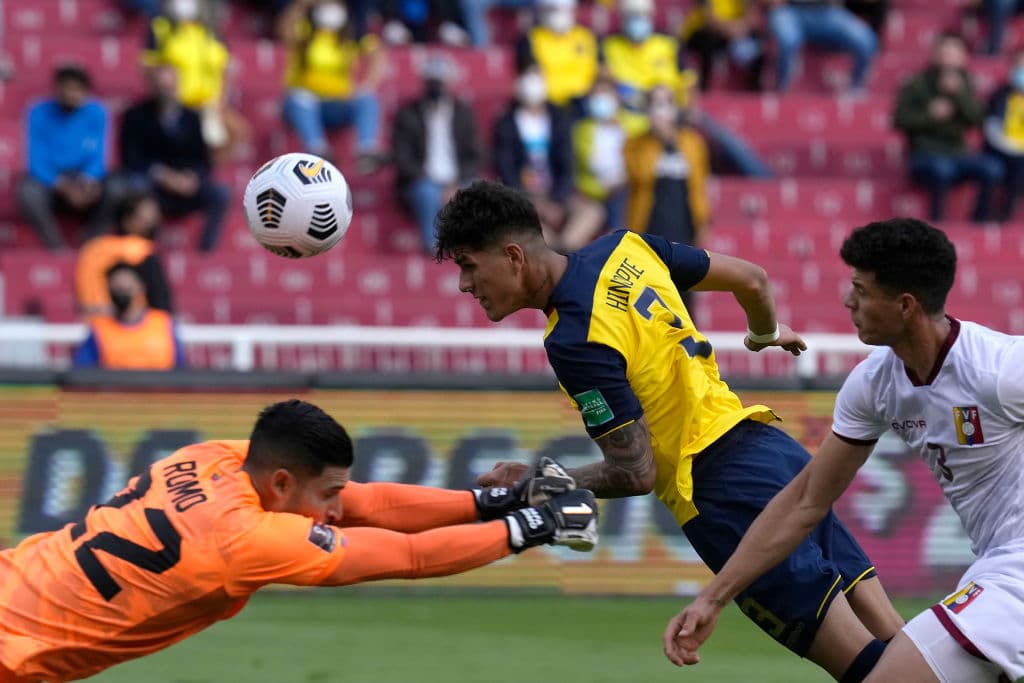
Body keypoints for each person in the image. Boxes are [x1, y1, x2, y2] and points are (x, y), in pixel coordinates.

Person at [434, 180, 905, 682]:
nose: (465, 284)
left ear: (512, 256)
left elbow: (636, 472)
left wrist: (540, 481)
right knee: (901, 642)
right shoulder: (626, 247)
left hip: (723, 494)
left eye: (467, 265)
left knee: (872, 673)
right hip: (774, 453)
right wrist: (764, 333)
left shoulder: (574, 338)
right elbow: (753, 279)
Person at [0, 399, 598, 682]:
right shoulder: (246, 538)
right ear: (282, 482)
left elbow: (365, 503)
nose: (338, 509)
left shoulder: (209, 458)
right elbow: (409, 557)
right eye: (327, 493)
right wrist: (535, 527)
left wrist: (497, 501)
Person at [663, 218, 1024, 683]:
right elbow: (805, 500)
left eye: (861, 289)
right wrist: (712, 598)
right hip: (996, 563)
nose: (847, 300)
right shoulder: (874, 384)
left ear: (905, 305)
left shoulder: (1000, 370)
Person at [119, 63, 230, 252]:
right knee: (135, 189)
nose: (166, 91)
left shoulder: (192, 117)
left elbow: (203, 160)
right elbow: (131, 159)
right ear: (152, 86)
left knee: (221, 193)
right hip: (153, 185)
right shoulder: (135, 116)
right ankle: (141, 249)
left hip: (186, 186)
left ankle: (206, 252)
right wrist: (162, 175)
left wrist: (192, 178)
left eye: (170, 86)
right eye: (162, 86)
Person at [894, 32, 1002, 223]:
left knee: (992, 169)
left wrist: (960, 95)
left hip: (958, 153)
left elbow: (979, 120)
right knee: (941, 169)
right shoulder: (917, 83)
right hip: (925, 153)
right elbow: (899, 121)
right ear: (935, 55)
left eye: (955, 53)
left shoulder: (966, 84)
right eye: (945, 52)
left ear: (964, 57)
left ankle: (980, 221)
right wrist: (930, 115)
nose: (949, 58)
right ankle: (937, 223)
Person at [278, 0, 386, 173]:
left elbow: (377, 56)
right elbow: (285, 31)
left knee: (367, 99)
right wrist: (302, 5)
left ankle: (366, 150)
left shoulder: (350, 36)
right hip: (307, 104)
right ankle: (317, 150)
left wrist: (367, 84)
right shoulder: (305, 32)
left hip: (338, 104)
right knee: (299, 98)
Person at [17, 65, 114, 252]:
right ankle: (56, 247)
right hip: (52, 182)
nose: (71, 94)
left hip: (84, 181)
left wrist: (88, 179)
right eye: (67, 88)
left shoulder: (98, 113)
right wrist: (61, 185)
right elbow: (35, 160)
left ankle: (91, 243)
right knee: (27, 192)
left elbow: (99, 156)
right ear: (57, 89)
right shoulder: (37, 112)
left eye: (77, 89)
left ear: (86, 91)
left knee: (119, 187)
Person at [392, 54, 482, 253]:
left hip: (457, 178)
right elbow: (402, 156)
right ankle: (432, 246)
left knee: (479, 192)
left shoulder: (462, 113)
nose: (436, 88)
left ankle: (473, 247)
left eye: (440, 83)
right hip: (422, 179)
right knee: (426, 192)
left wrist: (455, 182)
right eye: (432, 82)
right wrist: (429, 180)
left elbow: (474, 155)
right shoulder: (408, 113)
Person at [143, 0, 250, 162]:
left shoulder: (211, 31)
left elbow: (225, 68)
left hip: (209, 103)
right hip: (177, 103)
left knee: (235, 131)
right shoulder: (161, 26)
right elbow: (149, 67)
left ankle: (207, 175)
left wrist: (221, 101)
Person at [623, 85, 710, 250]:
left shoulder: (693, 142)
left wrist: (703, 220)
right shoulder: (636, 144)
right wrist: (657, 137)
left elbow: (699, 185)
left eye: (665, 103)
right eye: (655, 103)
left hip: (684, 226)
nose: (660, 110)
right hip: (649, 225)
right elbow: (640, 176)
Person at [493, 68, 576, 237]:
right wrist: (531, 202)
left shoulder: (558, 120)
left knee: (590, 212)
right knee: (523, 221)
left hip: (555, 191)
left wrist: (557, 200)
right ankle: (554, 250)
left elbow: (567, 163)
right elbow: (506, 168)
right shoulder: (506, 124)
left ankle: (567, 246)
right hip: (524, 195)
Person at [76, 191, 173, 319]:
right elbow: (160, 304)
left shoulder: (92, 247)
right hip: (132, 328)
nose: (154, 221)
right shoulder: (141, 251)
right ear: (127, 220)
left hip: (93, 322)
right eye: (146, 218)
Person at [73, 262, 185, 370]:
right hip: (116, 388)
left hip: (161, 388)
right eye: (117, 287)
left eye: (127, 287)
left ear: (141, 287)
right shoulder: (100, 329)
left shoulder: (164, 324)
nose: (121, 291)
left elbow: (180, 368)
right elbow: (83, 371)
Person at [765, 0, 878, 92]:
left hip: (828, 12)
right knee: (788, 40)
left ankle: (856, 89)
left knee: (866, 40)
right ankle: (781, 88)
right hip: (791, 10)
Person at [516, 0, 598, 116]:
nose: (558, 15)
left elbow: (600, 69)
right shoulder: (532, 38)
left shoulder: (586, 36)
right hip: (549, 101)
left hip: (583, 99)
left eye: (562, 10)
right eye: (553, 10)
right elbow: (531, 69)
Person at [681, 0, 764, 92]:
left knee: (758, 46)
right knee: (708, 44)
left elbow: (752, 16)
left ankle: (754, 92)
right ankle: (704, 91)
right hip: (701, 32)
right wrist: (730, 30)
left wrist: (739, 29)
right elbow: (709, 20)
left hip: (731, 34)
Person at [983, 48, 1024, 221]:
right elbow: (991, 128)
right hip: (1001, 149)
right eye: (1019, 66)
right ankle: (993, 215)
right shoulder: (999, 95)